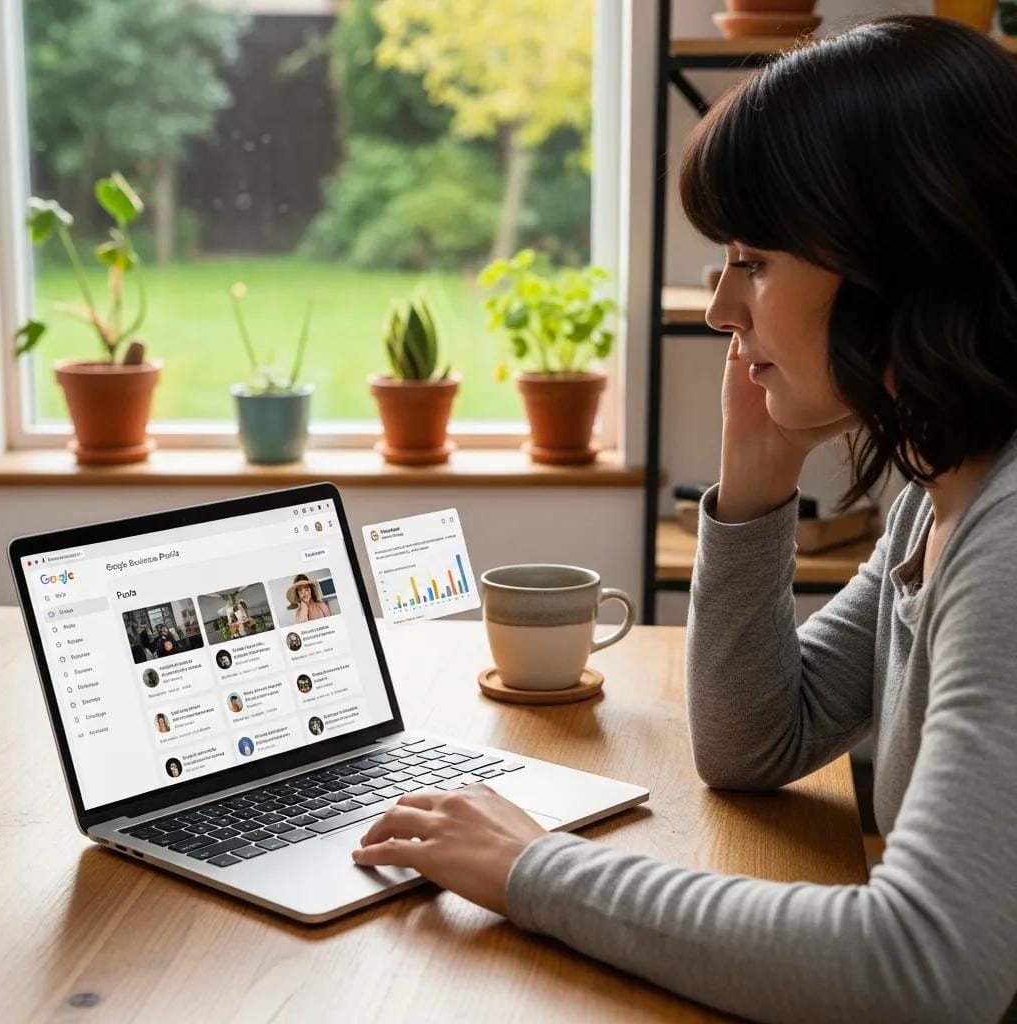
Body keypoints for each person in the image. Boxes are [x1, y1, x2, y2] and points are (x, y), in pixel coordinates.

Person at [349, 16, 1017, 1023]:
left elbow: (919, 967)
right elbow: (753, 741)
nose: (718, 311)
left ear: (898, 262)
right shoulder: (938, 489)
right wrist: (750, 486)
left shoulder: (1006, 533)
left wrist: (534, 868)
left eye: (753, 262)